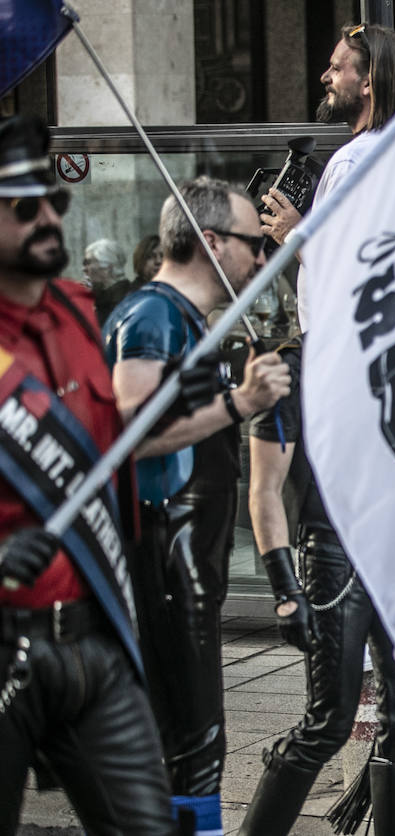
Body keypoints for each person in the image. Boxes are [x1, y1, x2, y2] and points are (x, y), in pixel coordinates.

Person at [0, 114, 175, 835]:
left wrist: (201, 404)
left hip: (89, 645)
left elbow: (105, 448)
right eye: (23, 205)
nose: (48, 216)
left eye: (54, 201)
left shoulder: (75, 310)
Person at [105, 176, 291, 835]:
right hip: (160, 564)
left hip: (189, 568)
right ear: (210, 242)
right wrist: (239, 404)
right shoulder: (152, 315)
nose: (259, 256)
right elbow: (132, 431)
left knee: (197, 747)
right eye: (250, 243)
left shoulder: (189, 322)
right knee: (189, 746)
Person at [238, 335, 395, 835]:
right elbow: (264, 490)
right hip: (333, 552)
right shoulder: (293, 368)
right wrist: (283, 587)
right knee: (328, 721)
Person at [258, 22, 395, 332]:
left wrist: (291, 232)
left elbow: (345, 271)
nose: (325, 77)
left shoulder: (351, 161)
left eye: (335, 68)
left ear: (367, 84)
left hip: (345, 344)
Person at [83, 237, 133, 326]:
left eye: (89, 263)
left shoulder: (125, 301)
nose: (84, 269)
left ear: (107, 268)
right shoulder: (101, 300)